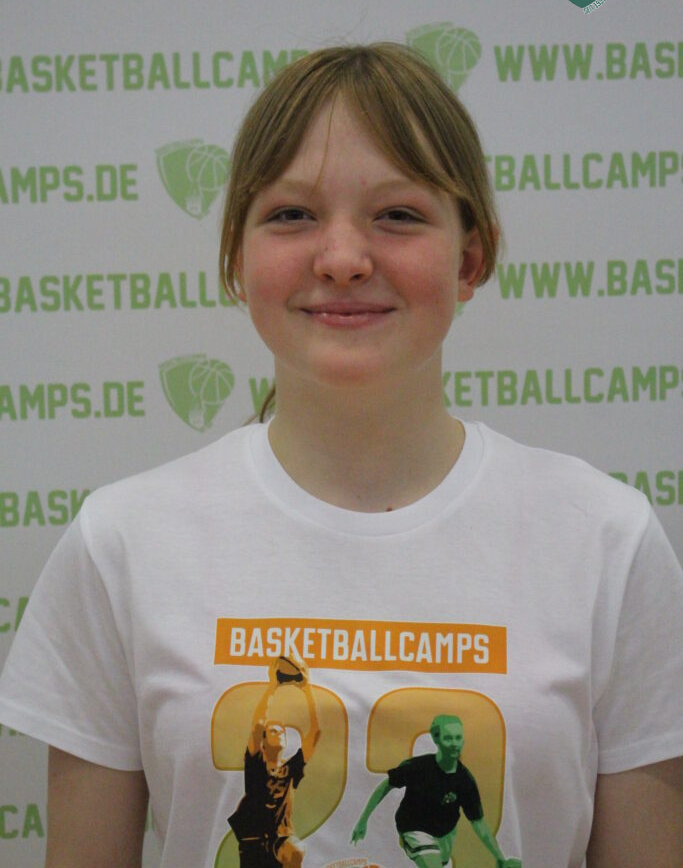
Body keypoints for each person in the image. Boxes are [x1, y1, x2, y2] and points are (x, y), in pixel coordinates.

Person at [0, 44, 681, 868]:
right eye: (292, 215)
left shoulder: (605, 541)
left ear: (470, 258)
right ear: (235, 259)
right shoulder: (122, 542)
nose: (343, 259)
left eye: (398, 215)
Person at [351, 714, 520, 868]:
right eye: (448, 738)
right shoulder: (418, 767)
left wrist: (500, 858)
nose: (454, 743)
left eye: (458, 738)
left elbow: (478, 823)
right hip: (413, 826)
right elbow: (386, 786)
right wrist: (363, 820)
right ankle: (411, 843)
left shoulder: (465, 780)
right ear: (436, 739)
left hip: (444, 833)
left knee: (440, 861)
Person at [228, 660, 320, 868]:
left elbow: (315, 734)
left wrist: (307, 689)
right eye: (273, 730)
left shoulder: (291, 769)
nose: (279, 733)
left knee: (295, 851)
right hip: (254, 838)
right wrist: (272, 686)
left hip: (281, 837)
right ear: (264, 741)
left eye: (282, 731)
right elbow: (258, 725)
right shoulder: (256, 763)